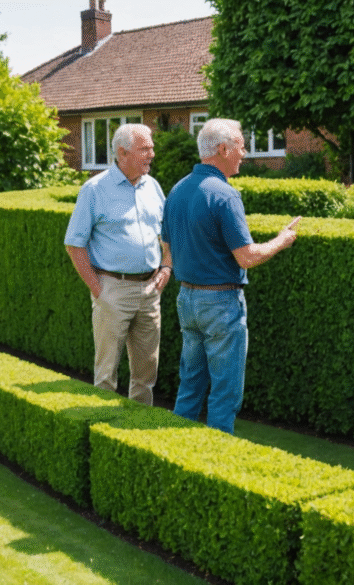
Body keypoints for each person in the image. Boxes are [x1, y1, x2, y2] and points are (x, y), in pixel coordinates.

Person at [162, 118, 300, 434]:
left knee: (190, 387)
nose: (244, 151)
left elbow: (166, 248)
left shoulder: (177, 190)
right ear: (223, 149)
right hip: (221, 302)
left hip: (187, 299)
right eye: (240, 144)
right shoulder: (224, 195)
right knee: (225, 394)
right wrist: (282, 239)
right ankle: (217, 467)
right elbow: (247, 257)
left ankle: (174, 456)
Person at [64, 123, 172, 406]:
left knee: (146, 372)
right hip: (112, 289)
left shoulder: (153, 186)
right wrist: (98, 289)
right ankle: (104, 432)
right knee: (106, 374)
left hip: (150, 291)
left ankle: (136, 434)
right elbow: (74, 244)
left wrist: (166, 266)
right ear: (122, 153)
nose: (152, 154)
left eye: (151, 148)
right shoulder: (94, 190)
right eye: (145, 149)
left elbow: (168, 232)